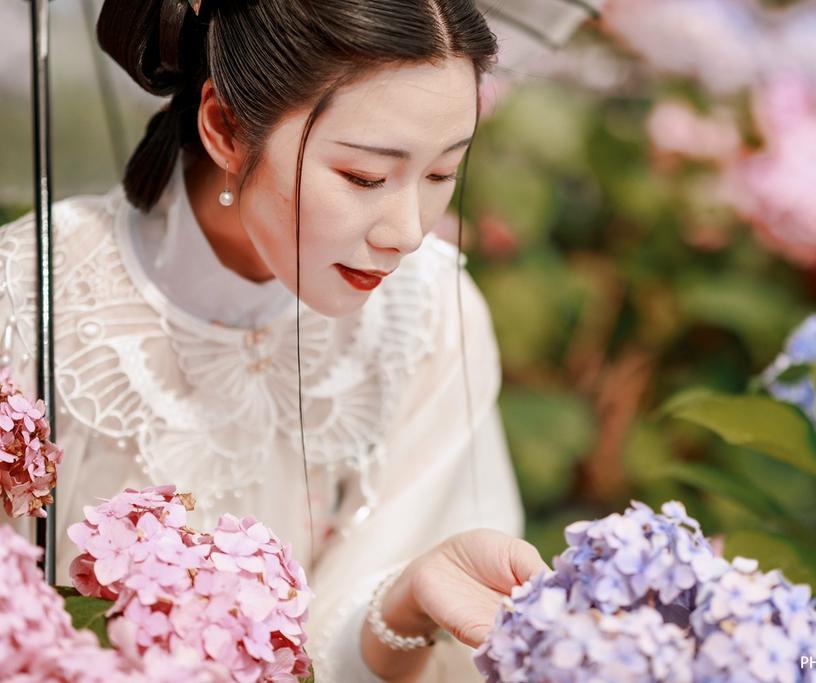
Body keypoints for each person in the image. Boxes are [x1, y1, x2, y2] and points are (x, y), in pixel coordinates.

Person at [0, 0, 591, 680]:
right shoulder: (30, 297)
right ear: (225, 126)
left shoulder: (426, 316)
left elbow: (351, 638)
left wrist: (402, 604)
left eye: (440, 174)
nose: (407, 230)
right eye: (365, 176)